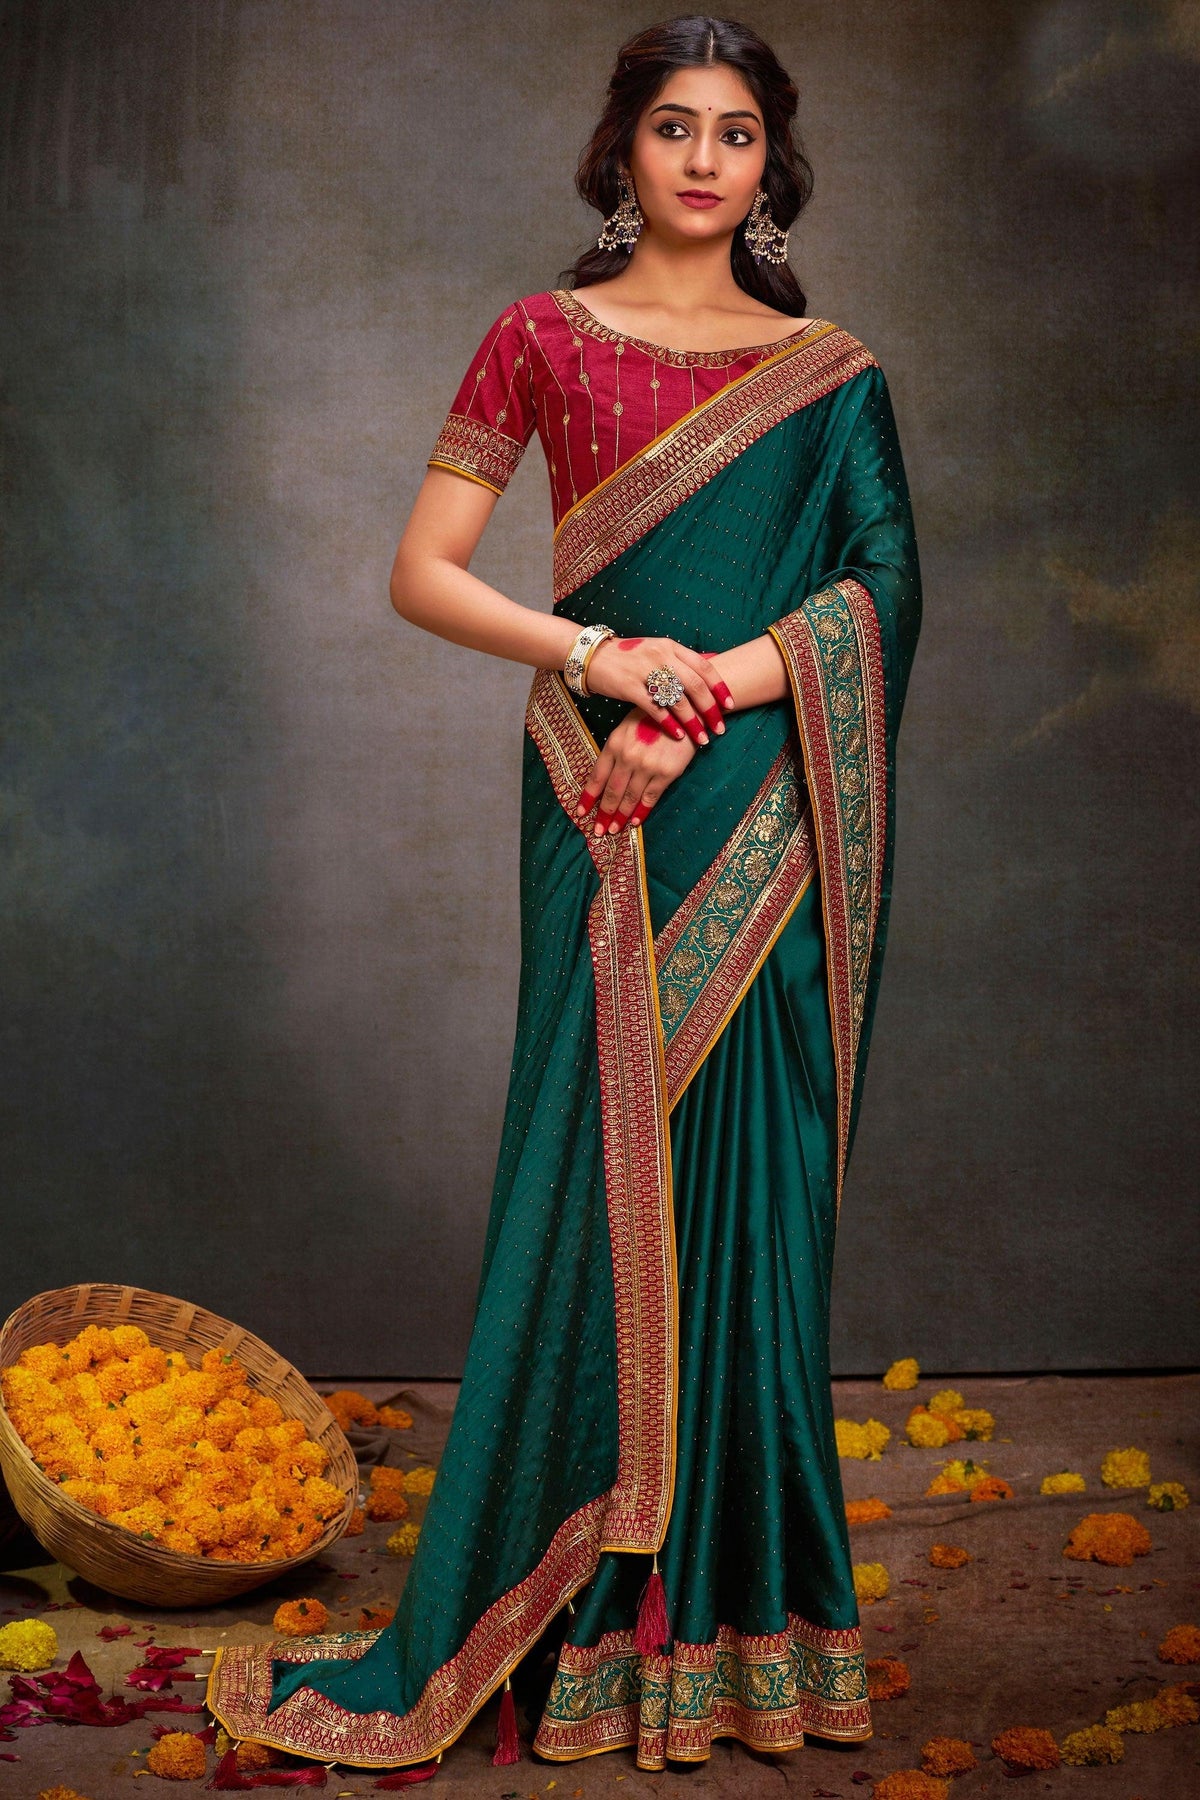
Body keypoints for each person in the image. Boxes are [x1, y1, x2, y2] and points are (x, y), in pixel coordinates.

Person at [206, 13, 922, 1777]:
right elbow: (424, 574)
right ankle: (572, 1616)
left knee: (750, 1194)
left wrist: (705, 699)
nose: (703, 159)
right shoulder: (540, 338)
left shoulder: (830, 373)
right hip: (595, 801)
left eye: (735, 132)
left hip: (759, 802)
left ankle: (741, 1630)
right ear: (622, 152)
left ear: (770, 164)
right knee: (593, 1172)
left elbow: (879, 590)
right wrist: (606, 659)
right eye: (674, 127)